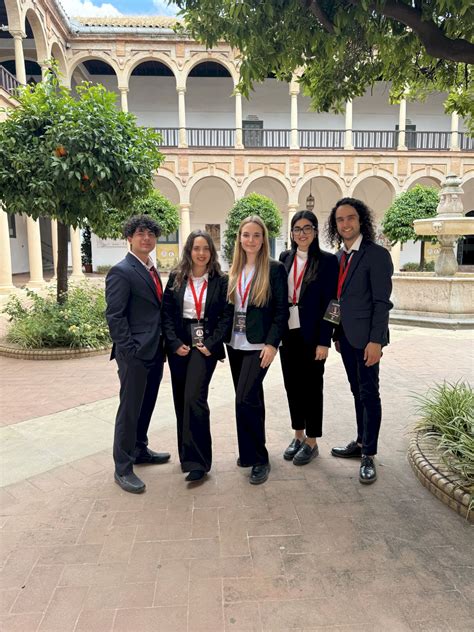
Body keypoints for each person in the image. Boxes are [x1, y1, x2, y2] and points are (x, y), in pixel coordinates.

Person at [326, 198, 393, 484]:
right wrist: (335, 334)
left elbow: (381, 302)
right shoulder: (340, 257)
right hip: (346, 338)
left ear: (361, 220)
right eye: (340, 220)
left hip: (367, 341)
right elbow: (337, 300)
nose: (346, 224)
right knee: (357, 392)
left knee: (369, 393)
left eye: (350, 218)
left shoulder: (376, 254)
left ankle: (369, 453)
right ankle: (360, 441)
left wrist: (376, 341)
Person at [105, 215, 170, 494]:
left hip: (155, 351)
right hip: (135, 354)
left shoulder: (151, 269)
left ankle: (140, 449)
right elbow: (115, 316)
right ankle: (123, 467)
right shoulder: (121, 271)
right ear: (129, 238)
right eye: (140, 233)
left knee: (146, 405)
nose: (146, 238)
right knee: (129, 410)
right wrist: (129, 351)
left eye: (151, 234)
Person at [162, 230, 233, 483]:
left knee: (195, 398)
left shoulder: (220, 280)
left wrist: (212, 343)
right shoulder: (176, 277)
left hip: (205, 347)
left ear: (211, 253)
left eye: (206, 249)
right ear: (189, 251)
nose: (201, 253)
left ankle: (200, 462)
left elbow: (227, 315)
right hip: (180, 344)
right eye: (196, 248)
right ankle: (186, 456)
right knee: (181, 399)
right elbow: (167, 314)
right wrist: (173, 342)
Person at [226, 215, 288, 485]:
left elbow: (281, 312)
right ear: (239, 238)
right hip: (235, 344)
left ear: (264, 239)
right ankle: (248, 453)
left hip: (259, 346)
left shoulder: (274, 269)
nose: (251, 240)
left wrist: (273, 344)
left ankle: (260, 459)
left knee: (244, 399)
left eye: (256, 235)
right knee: (252, 399)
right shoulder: (234, 269)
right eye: (246, 235)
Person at [279, 210, 338, 465]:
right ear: (291, 233)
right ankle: (298, 434)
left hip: (314, 336)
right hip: (288, 334)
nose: (301, 233)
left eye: (307, 228)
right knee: (292, 384)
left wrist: (325, 340)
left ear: (315, 231)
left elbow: (334, 304)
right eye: (297, 229)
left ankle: (312, 440)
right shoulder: (285, 258)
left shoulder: (327, 261)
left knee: (312, 387)